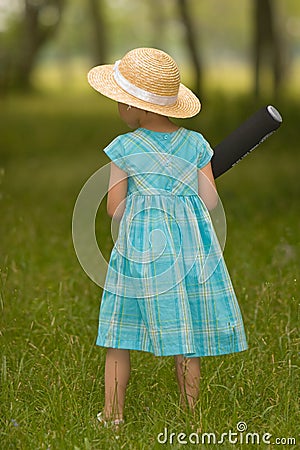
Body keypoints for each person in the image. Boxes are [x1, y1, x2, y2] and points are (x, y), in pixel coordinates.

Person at [87, 47, 248, 426]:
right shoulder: (195, 145)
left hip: (140, 252)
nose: (118, 108)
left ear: (134, 108)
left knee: (120, 333)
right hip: (188, 251)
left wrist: (146, 210)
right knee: (186, 331)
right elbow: (208, 199)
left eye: (120, 101)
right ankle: (190, 416)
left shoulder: (124, 147)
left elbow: (114, 206)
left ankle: (112, 414)